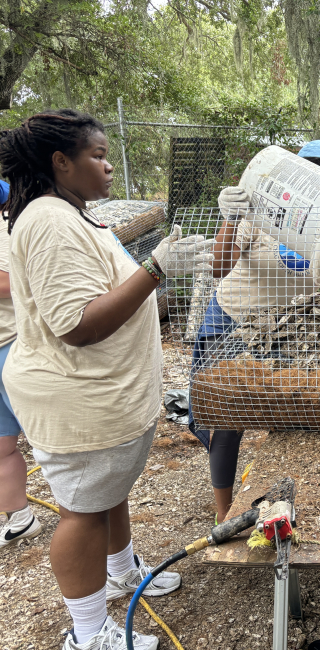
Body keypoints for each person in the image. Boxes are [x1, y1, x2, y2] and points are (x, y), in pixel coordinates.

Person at [0, 110, 214, 650]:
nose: (109, 166)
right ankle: (88, 633)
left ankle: (120, 572)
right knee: (82, 511)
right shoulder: (47, 221)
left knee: (106, 492)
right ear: (60, 162)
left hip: (104, 397)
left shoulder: (72, 213)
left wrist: (153, 272)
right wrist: (157, 270)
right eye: (97, 155)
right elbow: (76, 324)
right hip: (77, 399)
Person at [190, 140, 320, 524]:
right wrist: (231, 218)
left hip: (286, 331)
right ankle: (223, 515)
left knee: (294, 411)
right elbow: (219, 266)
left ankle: (286, 502)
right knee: (228, 417)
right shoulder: (262, 210)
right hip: (234, 320)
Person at [0, 179, 43, 551]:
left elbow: (11, 281)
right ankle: (19, 516)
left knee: (46, 436)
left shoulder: (7, 223)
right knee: (1, 444)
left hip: (12, 344)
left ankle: (84, 512)